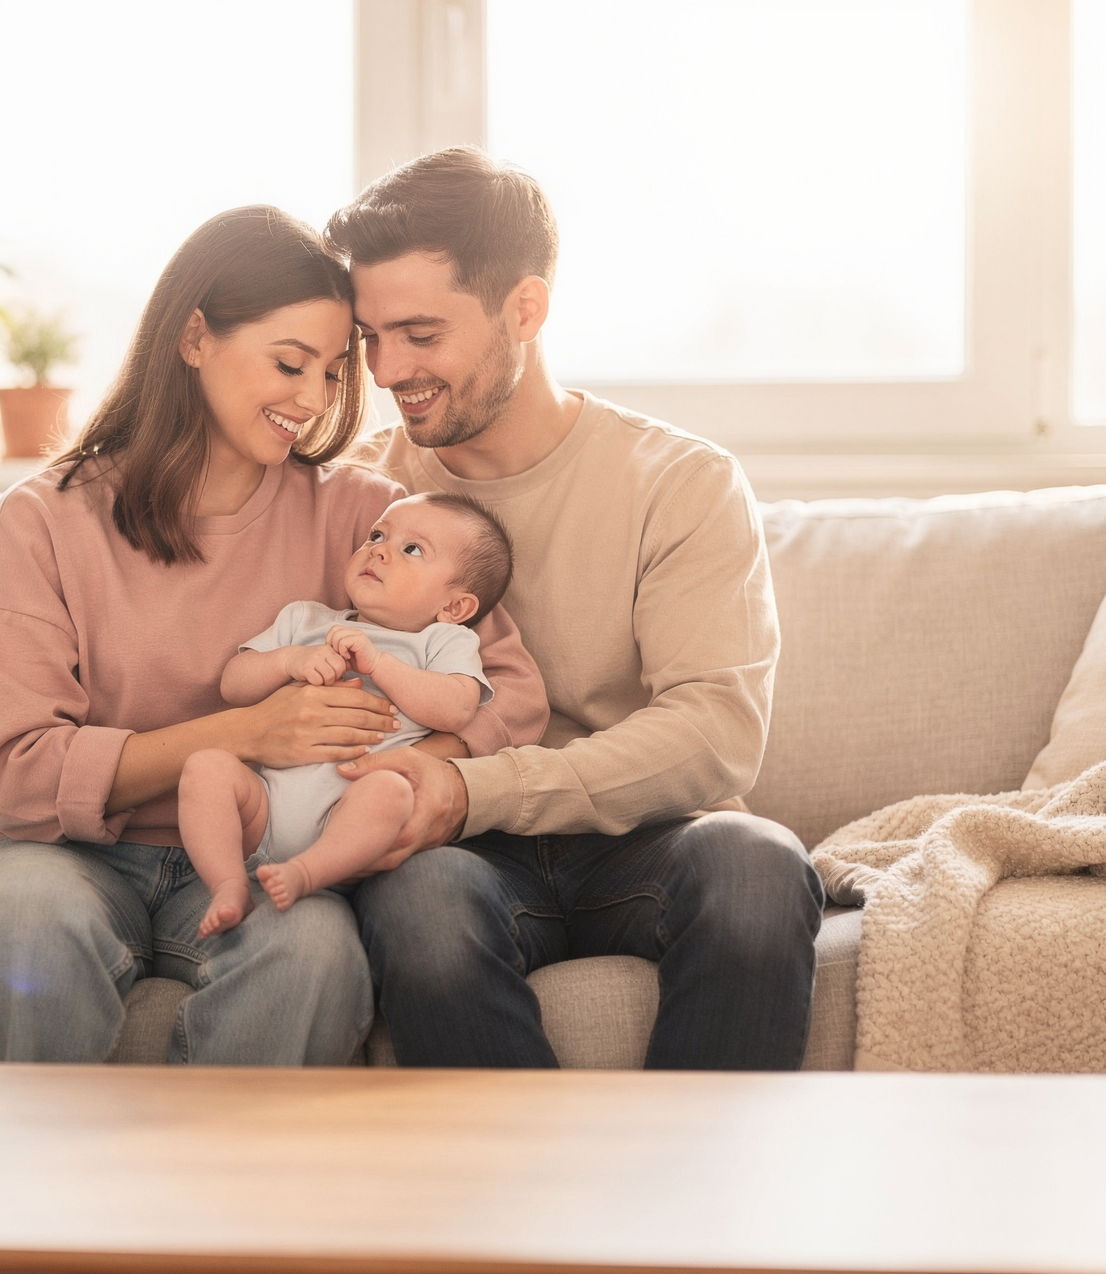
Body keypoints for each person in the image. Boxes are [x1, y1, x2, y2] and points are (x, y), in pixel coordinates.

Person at [0, 204, 545, 1066]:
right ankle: (35, 1200)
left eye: (333, 374)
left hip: (256, 852)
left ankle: (222, 1198)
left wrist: (401, 754)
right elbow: (17, 775)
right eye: (290, 363)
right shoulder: (45, 518)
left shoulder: (365, 516)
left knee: (316, 953)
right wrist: (245, 734)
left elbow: (512, 696)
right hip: (50, 856)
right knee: (31, 929)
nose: (311, 399)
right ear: (193, 338)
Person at [321, 147, 827, 1070]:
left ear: (526, 308)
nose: (389, 370)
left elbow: (714, 733)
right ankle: (528, 1210)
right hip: (456, 858)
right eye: (371, 339)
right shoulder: (356, 493)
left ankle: (700, 1209)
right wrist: (25, 619)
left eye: (421, 335)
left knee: (756, 863)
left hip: (643, 839)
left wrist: (481, 788)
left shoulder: (680, 480)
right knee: (418, 906)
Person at [179, 491, 527, 939]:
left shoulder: (442, 642)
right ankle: (228, 884)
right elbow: (234, 683)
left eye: (412, 549)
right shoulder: (304, 620)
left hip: (347, 817)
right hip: (261, 810)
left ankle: (308, 873)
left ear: (454, 607)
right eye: (376, 535)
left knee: (390, 792)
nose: (378, 549)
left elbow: (458, 708)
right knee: (205, 767)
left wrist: (381, 664)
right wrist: (287, 661)